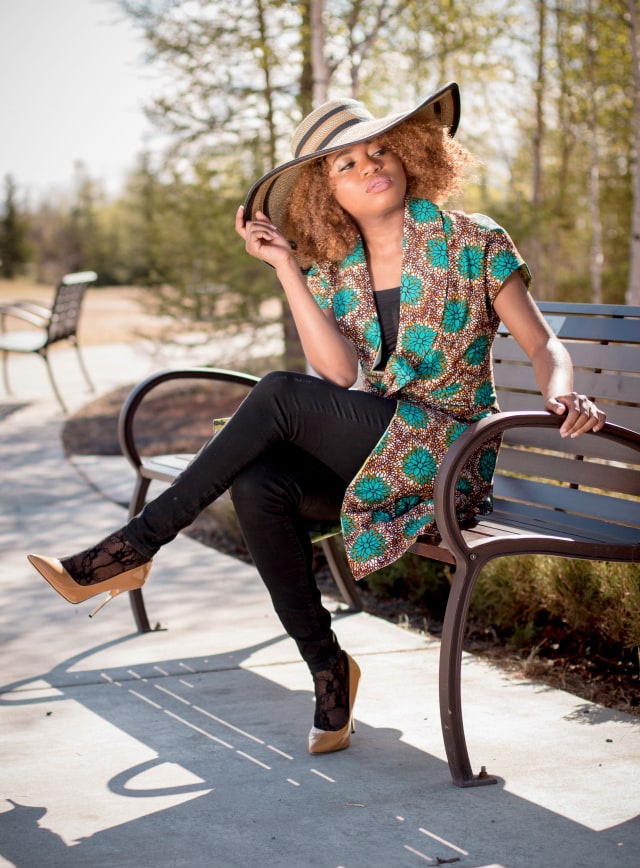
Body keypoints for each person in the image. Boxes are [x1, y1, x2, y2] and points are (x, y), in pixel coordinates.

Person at [28, 81, 606, 756]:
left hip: (454, 454)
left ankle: (133, 547)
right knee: (259, 485)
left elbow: (542, 344)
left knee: (277, 393)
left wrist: (564, 393)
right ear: (324, 191)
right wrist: (285, 268)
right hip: (385, 454)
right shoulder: (337, 270)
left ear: (413, 154)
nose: (370, 167)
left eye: (380, 150)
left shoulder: (473, 241)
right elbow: (336, 374)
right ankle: (328, 669)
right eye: (346, 164)